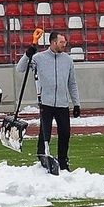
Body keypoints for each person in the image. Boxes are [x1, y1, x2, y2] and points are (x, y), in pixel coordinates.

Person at [16, 32, 81, 171]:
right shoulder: (39, 58)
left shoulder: (68, 60)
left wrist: (76, 103)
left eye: (65, 42)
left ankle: (63, 161)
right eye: (61, 42)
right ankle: (42, 156)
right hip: (46, 102)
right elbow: (20, 68)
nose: (64, 44)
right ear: (53, 42)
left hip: (63, 103)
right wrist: (28, 54)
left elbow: (72, 83)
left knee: (65, 133)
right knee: (45, 132)